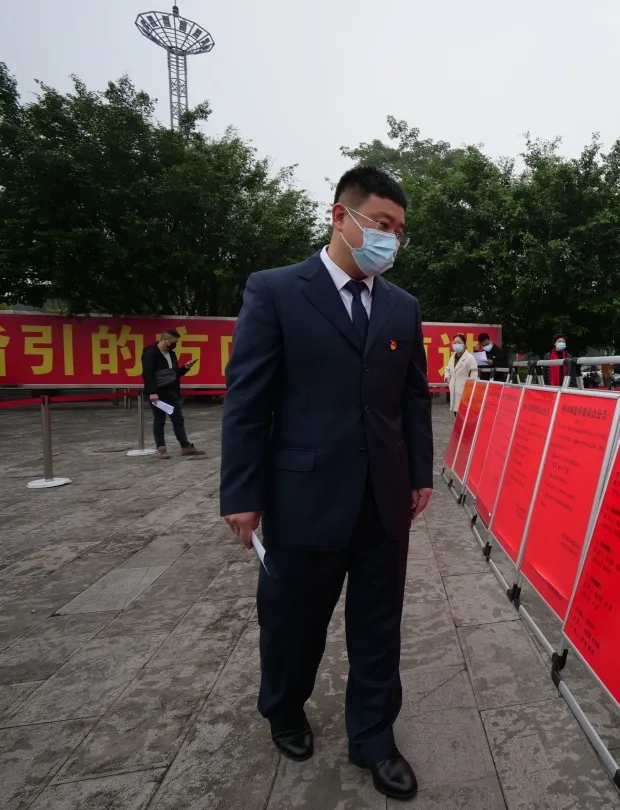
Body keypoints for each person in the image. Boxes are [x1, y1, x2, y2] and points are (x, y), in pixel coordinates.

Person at [219, 166, 434, 800]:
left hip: (383, 499)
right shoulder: (276, 291)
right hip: (302, 497)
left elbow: (412, 400)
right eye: (382, 224)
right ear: (341, 216)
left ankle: (374, 738)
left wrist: (419, 475)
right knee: (293, 621)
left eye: (400, 230)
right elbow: (247, 401)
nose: (391, 239)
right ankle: (284, 709)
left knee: (378, 626)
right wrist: (242, 494)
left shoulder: (401, 306)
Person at [141, 328, 205, 459]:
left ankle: (185, 446)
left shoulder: (171, 354)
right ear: (165, 340)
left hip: (171, 391)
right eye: (173, 342)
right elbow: (148, 374)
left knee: (178, 419)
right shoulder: (150, 353)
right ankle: (161, 448)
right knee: (159, 420)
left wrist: (185, 368)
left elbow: (173, 374)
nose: (175, 344)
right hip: (158, 392)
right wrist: (152, 392)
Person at [443, 333, 477, 414]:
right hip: (454, 392)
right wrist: (447, 378)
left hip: (465, 393)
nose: (456, 344)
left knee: (464, 416)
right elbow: (447, 369)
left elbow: (474, 376)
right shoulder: (452, 358)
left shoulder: (470, 358)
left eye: (459, 342)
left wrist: (469, 390)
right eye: (455, 343)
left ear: (464, 345)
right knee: (456, 414)